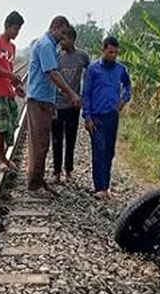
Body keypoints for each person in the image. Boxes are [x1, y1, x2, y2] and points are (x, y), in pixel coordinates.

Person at [25, 16, 82, 198]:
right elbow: (53, 74)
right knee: (39, 143)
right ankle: (34, 185)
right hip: (38, 100)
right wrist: (71, 94)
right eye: (63, 32)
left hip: (45, 100)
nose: (63, 37)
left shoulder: (49, 45)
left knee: (42, 142)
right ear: (55, 27)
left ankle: (39, 180)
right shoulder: (46, 45)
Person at [83, 36, 132, 200]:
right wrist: (87, 117)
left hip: (112, 116)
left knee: (109, 152)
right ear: (103, 50)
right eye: (110, 52)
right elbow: (87, 94)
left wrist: (124, 99)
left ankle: (106, 186)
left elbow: (128, 85)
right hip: (96, 117)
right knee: (99, 151)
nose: (113, 55)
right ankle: (100, 188)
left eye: (115, 53)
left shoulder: (120, 69)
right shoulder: (93, 69)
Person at [0, 11, 25, 172]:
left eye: (18, 30)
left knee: (8, 125)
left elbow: (9, 68)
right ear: (7, 26)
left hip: (7, 90)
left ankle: (3, 158)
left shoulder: (12, 47)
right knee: (0, 126)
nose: (16, 33)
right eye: (15, 29)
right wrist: (11, 75)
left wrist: (17, 86)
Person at [52, 26, 91, 184]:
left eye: (65, 39)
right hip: (57, 104)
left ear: (73, 40)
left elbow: (91, 73)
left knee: (71, 139)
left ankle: (68, 170)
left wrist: (84, 96)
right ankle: (56, 172)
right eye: (61, 38)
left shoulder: (82, 56)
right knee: (56, 140)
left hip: (73, 106)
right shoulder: (56, 56)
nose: (62, 42)